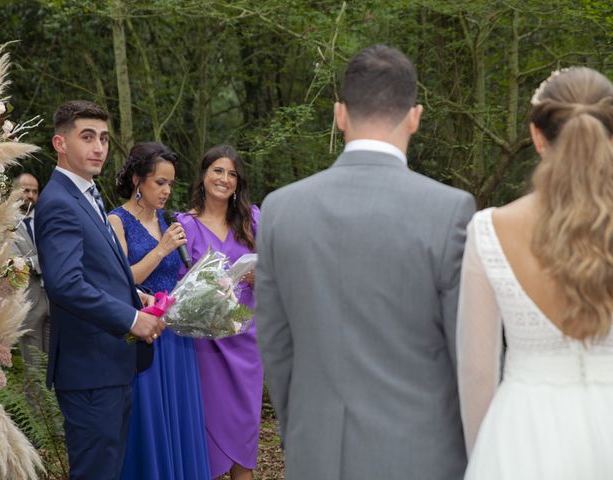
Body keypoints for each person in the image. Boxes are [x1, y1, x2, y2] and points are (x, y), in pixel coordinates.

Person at [255, 45, 476, 479]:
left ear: (339, 114)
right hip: (423, 453)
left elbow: (277, 346)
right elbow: (465, 351)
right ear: (415, 116)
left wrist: (301, 433)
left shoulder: (281, 208)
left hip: (316, 453)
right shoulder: (450, 209)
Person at [457, 67, 613, 479]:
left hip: (524, 435)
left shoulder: (490, 229)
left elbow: (477, 373)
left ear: (536, 136)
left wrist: (485, 453)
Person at [34, 100, 165, 480]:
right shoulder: (58, 201)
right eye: (87, 137)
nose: (99, 148)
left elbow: (94, 271)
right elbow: (65, 285)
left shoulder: (87, 195)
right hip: (89, 370)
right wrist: (130, 318)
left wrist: (132, 293)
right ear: (60, 142)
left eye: (105, 139)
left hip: (109, 366)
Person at [108, 142, 210, 480]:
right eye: (159, 183)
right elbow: (121, 281)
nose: (167, 191)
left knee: (179, 422)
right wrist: (162, 248)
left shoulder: (167, 221)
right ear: (138, 179)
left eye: (171, 184)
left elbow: (175, 276)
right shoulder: (116, 221)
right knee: (149, 423)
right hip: (142, 337)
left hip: (176, 341)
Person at [176, 144, 263, 480]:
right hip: (204, 347)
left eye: (231, 174)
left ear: (238, 182)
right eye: (218, 171)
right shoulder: (185, 225)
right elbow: (178, 290)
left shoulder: (253, 219)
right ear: (203, 175)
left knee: (245, 432)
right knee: (207, 436)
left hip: (246, 345)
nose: (224, 179)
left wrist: (260, 279)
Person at [11, 172, 49, 367]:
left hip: (55, 299)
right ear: (15, 190)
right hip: (28, 302)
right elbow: (15, 263)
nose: (31, 195)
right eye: (26, 190)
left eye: (35, 191)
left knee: (55, 365)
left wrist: (32, 263)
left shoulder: (47, 220)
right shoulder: (4, 225)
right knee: (34, 367)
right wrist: (44, 261)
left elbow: (57, 251)